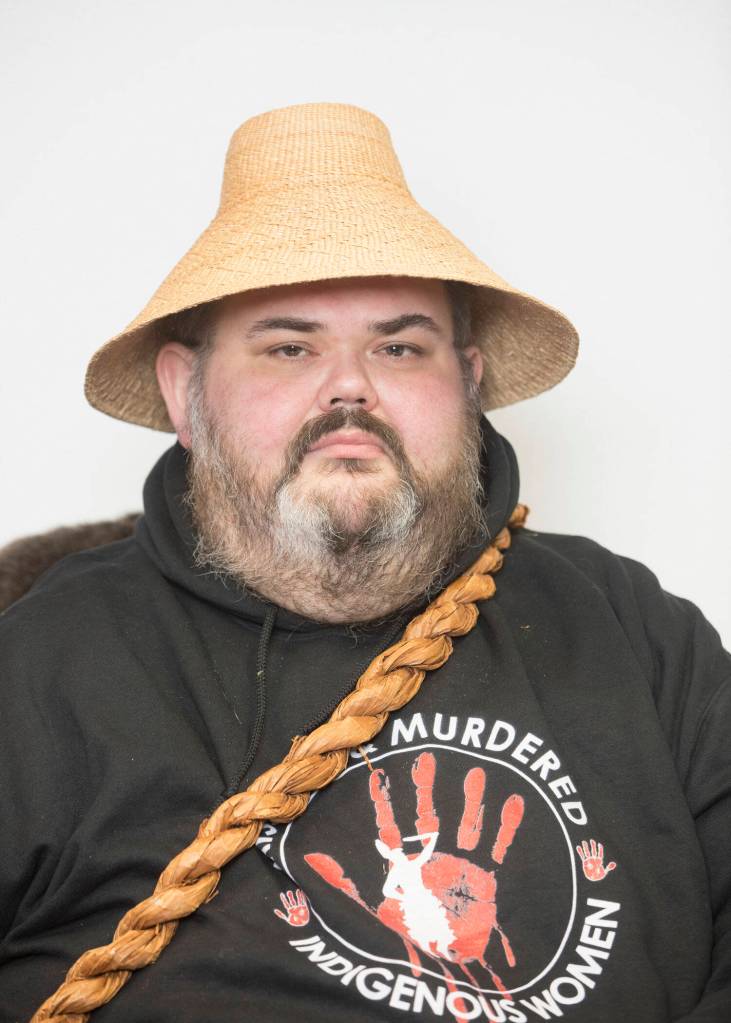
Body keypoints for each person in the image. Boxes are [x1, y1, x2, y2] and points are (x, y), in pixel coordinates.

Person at [0, 102, 728, 1023]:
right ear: (186, 392)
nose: (349, 386)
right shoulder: (40, 664)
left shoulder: (633, 627)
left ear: (467, 383)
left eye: (398, 346)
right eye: (289, 346)